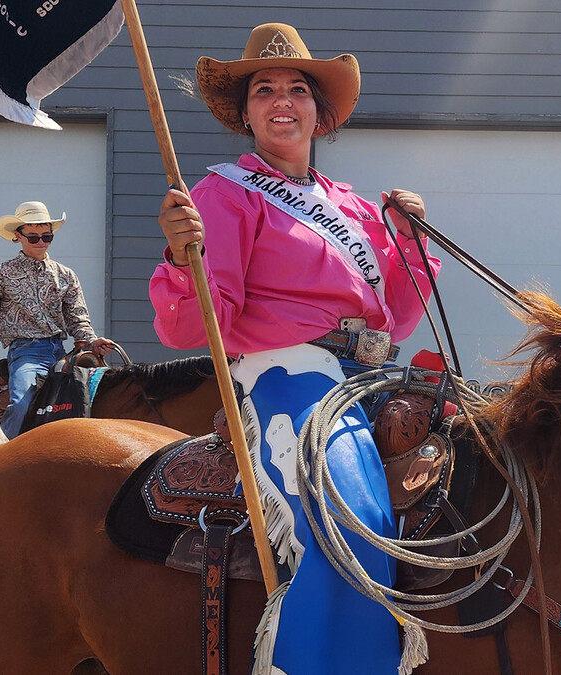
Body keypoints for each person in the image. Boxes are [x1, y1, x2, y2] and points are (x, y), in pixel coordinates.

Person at [150, 22, 440, 674]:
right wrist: (181, 257)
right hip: (289, 369)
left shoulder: (355, 207)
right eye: (265, 89)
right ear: (246, 112)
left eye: (297, 89)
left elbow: (395, 313)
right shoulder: (224, 194)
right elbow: (193, 327)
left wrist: (411, 243)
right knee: (351, 513)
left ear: (319, 109)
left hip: (367, 372)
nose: (283, 100)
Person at [0, 201, 116, 438]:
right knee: (23, 406)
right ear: (18, 236)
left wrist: (92, 342)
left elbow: (78, 318)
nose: (41, 242)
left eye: (47, 237)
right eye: (33, 237)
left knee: (98, 400)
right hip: (26, 352)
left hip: (62, 351)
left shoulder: (65, 275)